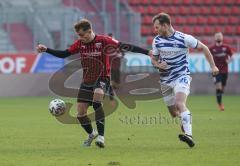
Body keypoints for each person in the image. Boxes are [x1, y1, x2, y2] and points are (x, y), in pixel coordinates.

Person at [36, 19, 151, 148]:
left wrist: (148, 52)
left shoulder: (104, 41)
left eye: (81, 35)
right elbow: (64, 54)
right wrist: (47, 50)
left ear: (89, 31)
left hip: (102, 77)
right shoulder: (80, 44)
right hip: (87, 81)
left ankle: (101, 137)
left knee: (97, 99)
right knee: (80, 114)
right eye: (78, 35)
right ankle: (92, 134)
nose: (80, 38)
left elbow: (125, 45)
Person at [150, 13, 219, 148]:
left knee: (179, 103)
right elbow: (153, 59)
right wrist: (158, 65)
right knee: (173, 113)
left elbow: (204, 47)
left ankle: (189, 135)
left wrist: (213, 65)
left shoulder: (184, 38)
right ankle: (183, 119)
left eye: (157, 27)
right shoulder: (157, 41)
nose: (155, 30)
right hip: (165, 80)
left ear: (165, 25)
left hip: (181, 76)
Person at [209, 32, 233, 111]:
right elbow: (208, 57)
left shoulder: (226, 47)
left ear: (222, 38)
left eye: (220, 36)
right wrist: (212, 66)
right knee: (218, 86)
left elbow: (231, 57)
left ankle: (219, 96)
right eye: (217, 36)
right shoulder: (212, 48)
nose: (218, 37)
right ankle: (220, 104)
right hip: (216, 70)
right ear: (215, 38)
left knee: (222, 87)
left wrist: (228, 61)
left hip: (224, 71)